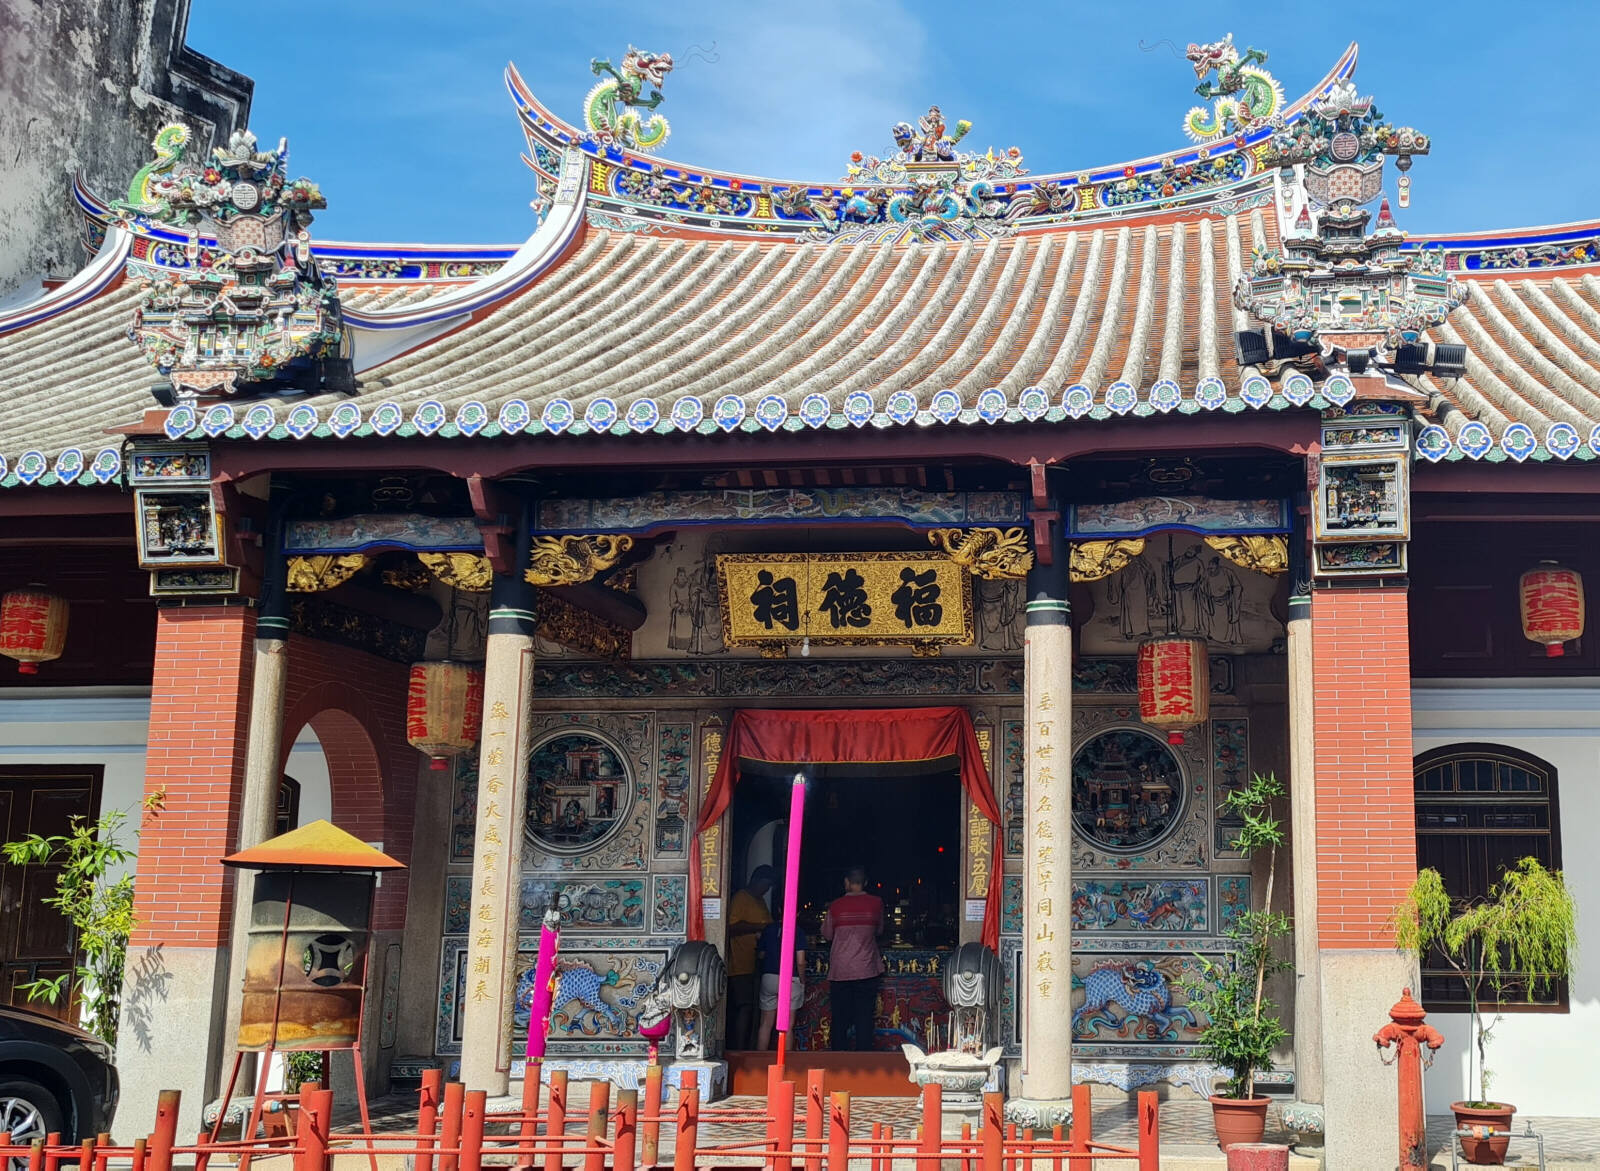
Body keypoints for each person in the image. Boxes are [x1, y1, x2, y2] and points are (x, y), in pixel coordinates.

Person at [822, 865, 884, 1052]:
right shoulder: (876, 903)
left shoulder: (835, 906)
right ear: (865, 882)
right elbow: (879, 930)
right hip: (866, 970)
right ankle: (864, 1059)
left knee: (840, 1019)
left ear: (846, 883)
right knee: (864, 1018)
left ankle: (838, 1059)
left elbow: (827, 935)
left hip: (840, 971)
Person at [726, 864, 774, 1050]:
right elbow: (731, 927)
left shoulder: (760, 901)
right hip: (740, 963)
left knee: (755, 1009)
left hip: (757, 963)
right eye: (765, 885)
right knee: (744, 1007)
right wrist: (759, 928)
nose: (767, 890)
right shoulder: (741, 898)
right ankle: (739, 1047)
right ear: (756, 881)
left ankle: (752, 1044)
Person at [755, 914, 805, 1051]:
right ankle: (786, 1061)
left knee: (765, 1024)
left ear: (778, 910)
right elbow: (801, 960)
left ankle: (760, 1060)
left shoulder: (768, 929)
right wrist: (802, 980)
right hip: (790, 978)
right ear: (798, 913)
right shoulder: (797, 931)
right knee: (788, 1025)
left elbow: (760, 955)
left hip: (769, 977)